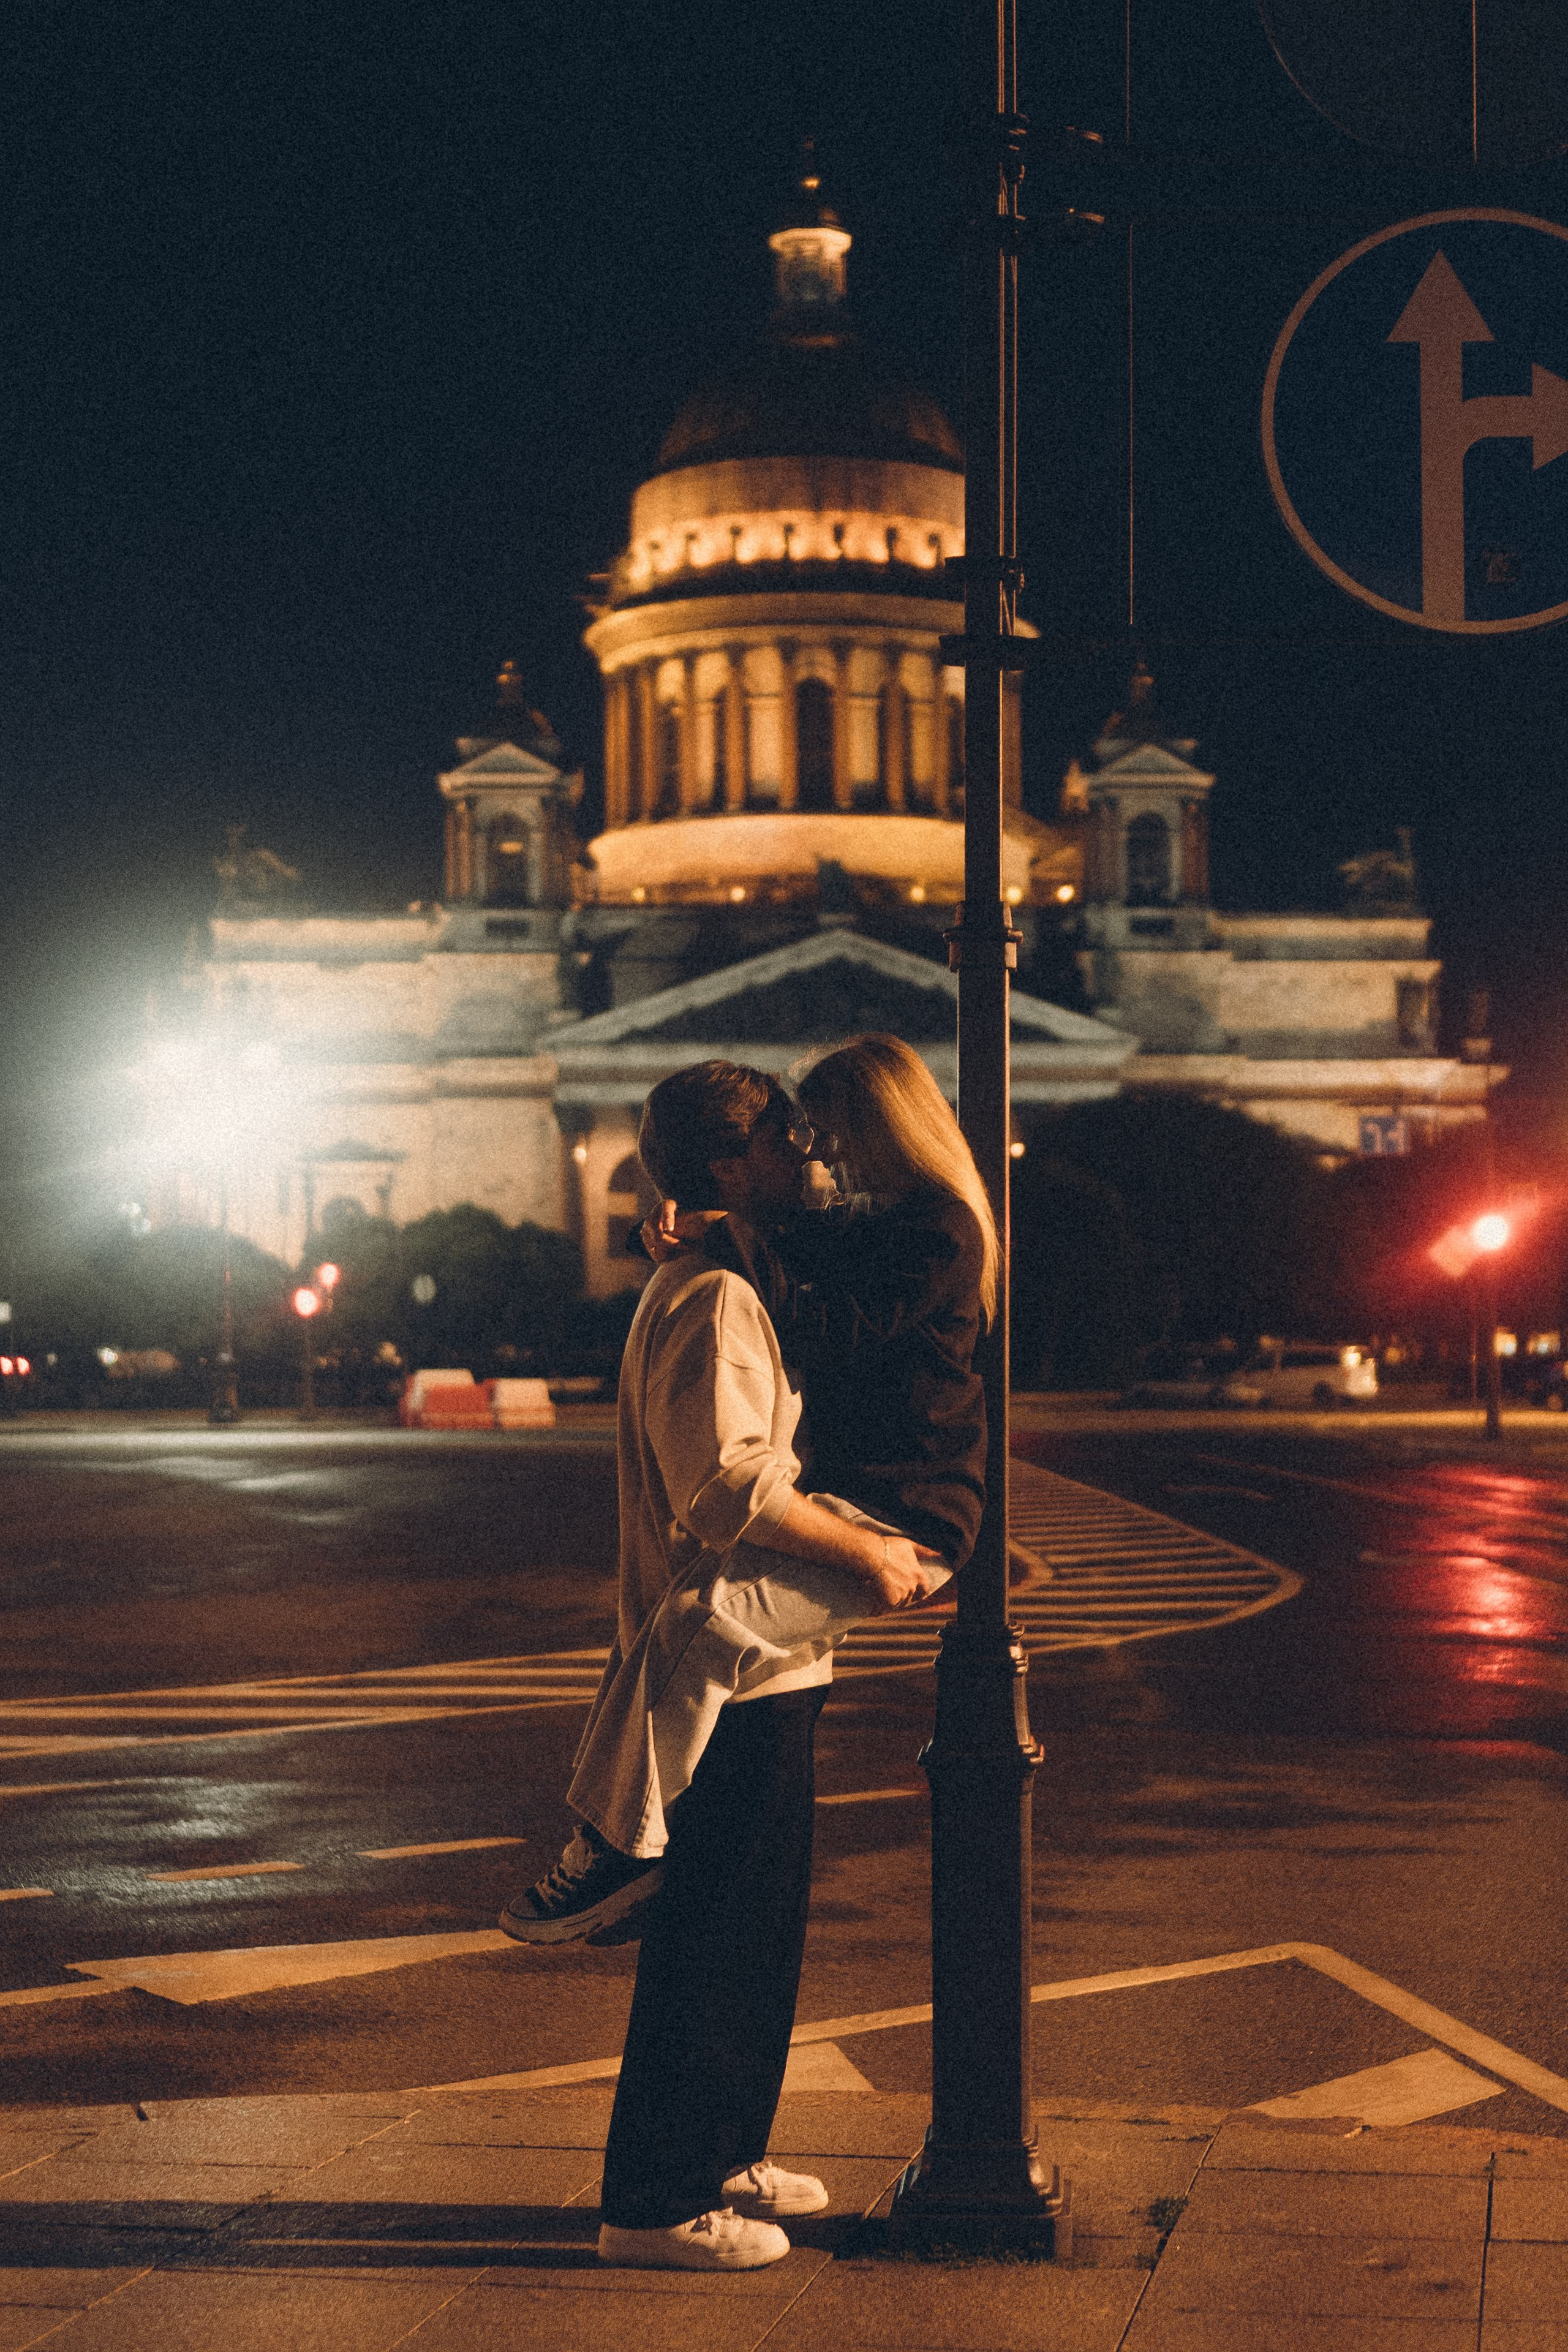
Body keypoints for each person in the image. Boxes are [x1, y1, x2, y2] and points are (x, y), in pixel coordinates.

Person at [503, 1060, 949, 2273]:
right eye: (787, 1144)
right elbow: (726, 1489)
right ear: (725, 1166)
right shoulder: (709, 1300)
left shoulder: (726, 1275)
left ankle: (724, 2150)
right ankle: (651, 2203)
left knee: (760, 1928)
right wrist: (863, 1551)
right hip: (729, 1658)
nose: (811, 1160)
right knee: (709, 1934)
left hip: (767, 1660)